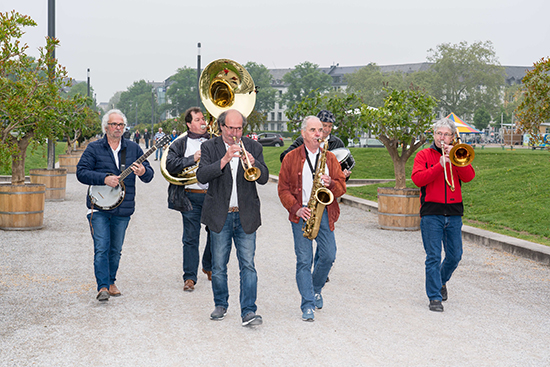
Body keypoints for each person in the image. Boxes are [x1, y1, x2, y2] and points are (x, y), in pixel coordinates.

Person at [196, 109, 269, 327]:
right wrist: (225, 159)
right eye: (231, 128)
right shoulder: (210, 147)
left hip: (246, 214)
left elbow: (264, 178)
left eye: (239, 128)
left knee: (248, 265)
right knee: (219, 265)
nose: (235, 133)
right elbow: (201, 176)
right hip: (220, 215)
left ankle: (248, 311)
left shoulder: (253, 146)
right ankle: (220, 304)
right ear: (221, 127)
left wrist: (255, 164)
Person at [76, 109, 154, 302]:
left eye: (120, 124)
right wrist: (104, 179)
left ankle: (111, 281)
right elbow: (81, 173)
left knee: (115, 248)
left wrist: (143, 171)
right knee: (102, 246)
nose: (117, 128)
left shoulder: (134, 149)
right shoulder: (94, 148)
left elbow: (149, 176)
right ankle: (102, 286)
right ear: (106, 127)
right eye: (114, 124)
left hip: (123, 207)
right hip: (98, 207)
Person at [278, 115, 346, 322]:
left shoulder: (330, 158)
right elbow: (283, 189)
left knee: (328, 255)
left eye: (320, 130)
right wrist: (297, 209)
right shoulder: (291, 158)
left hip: (323, 211)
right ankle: (307, 303)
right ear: (303, 133)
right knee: (304, 261)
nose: (318, 134)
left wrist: (331, 183)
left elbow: (342, 187)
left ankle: (315, 288)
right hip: (302, 213)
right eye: (313, 130)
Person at [411, 118, 476, 312]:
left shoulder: (458, 154)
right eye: (439, 133)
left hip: (454, 213)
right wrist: (440, 164)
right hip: (432, 212)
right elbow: (417, 179)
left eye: (446, 134)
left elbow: (469, 176)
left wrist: (455, 160)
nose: (442, 138)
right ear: (434, 135)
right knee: (433, 256)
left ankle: (441, 281)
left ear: (453, 137)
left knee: (455, 256)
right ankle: (434, 297)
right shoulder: (424, 155)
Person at [165, 107, 212, 292]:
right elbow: (170, 165)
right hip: (190, 195)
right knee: (191, 239)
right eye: (198, 119)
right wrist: (193, 158)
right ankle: (190, 277)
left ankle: (208, 265)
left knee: (216, 234)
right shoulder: (179, 143)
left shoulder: (214, 141)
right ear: (189, 124)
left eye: (203, 119)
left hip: (212, 196)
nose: (203, 122)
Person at [280, 110, 352, 179]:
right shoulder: (303, 139)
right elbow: (284, 157)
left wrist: (344, 176)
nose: (327, 129)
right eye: (324, 125)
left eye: (330, 126)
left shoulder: (337, 143)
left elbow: (341, 173)